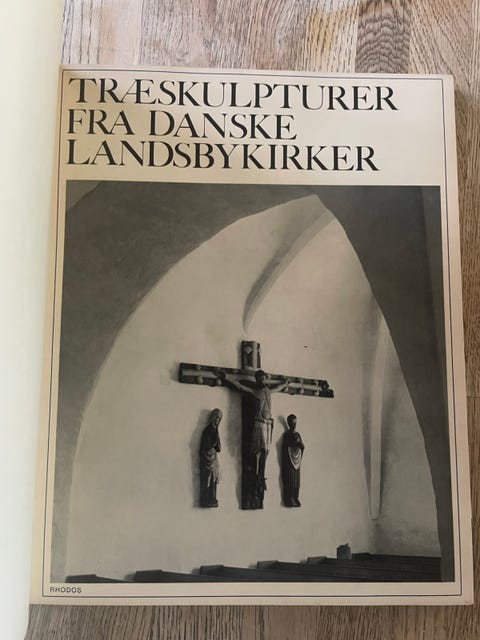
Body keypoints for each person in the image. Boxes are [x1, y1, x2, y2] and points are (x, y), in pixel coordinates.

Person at [216, 368, 290, 488]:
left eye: (263, 378)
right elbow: (240, 386)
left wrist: (285, 384)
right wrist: (227, 378)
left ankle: (261, 475)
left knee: (266, 451)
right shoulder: (255, 392)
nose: (262, 380)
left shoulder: (269, 391)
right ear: (257, 380)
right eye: (260, 378)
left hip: (268, 424)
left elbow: (278, 387)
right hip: (259, 422)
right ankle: (256, 477)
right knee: (257, 451)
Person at [199, 408, 222, 507]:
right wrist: (215, 439)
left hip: (213, 459)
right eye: (216, 417)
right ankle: (206, 499)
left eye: (219, 418)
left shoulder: (216, 431)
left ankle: (212, 498)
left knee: (214, 478)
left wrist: (217, 434)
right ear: (212, 417)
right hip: (207, 459)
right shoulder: (207, 431)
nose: (217, 420)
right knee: (207, 478)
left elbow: (219, 448)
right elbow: (207, 446)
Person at [281, 413, 305, 507]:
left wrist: (299, 443)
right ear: (289, 423)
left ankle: (296, 497)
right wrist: (293, 442)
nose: (294, 425)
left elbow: (302, 446)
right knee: (290, 480)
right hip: (289, 460)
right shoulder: (287, 435)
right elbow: (285, 447)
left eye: (295, 423)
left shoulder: (298, 434)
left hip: (297, 460)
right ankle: (290, 498)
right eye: (292, 423)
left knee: (296, 480)